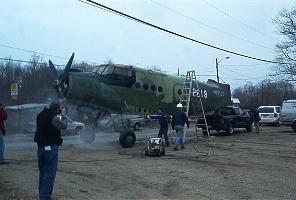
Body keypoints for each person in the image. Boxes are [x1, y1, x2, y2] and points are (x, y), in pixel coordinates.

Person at [34, 100, 67, 200]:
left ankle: (42, 194)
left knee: (43, 172)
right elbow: (63, 125)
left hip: (40, 147)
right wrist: (63, 115)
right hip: (51, 148)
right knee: (49, 172)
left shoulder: (40, 115)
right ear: (58, 109)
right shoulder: (53, 118)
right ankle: (45, 196)